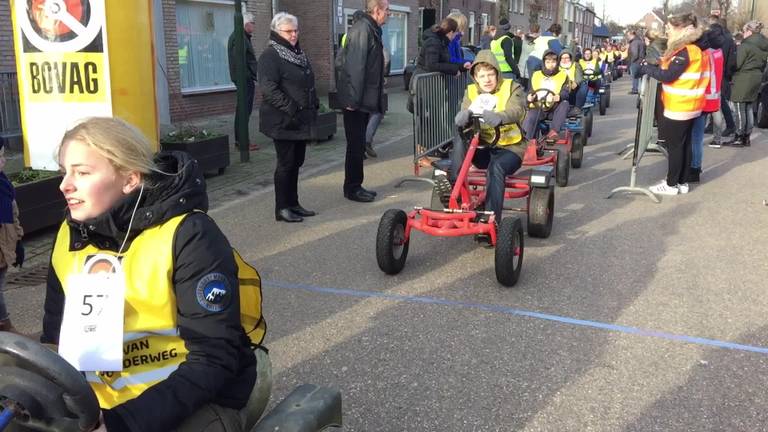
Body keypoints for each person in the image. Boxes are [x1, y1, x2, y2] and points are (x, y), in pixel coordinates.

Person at [43, 117, 265, 431]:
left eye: (82, 172)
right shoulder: (68, 234)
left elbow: (213, 359)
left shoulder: (189, 234)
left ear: (130, 180)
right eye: (64, 171)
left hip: (195, 398)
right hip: (98, 404)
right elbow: (55, 340)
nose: (65, 184)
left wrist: (123, 423)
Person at [451, 50, 527, 223]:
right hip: (482, 148)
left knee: (496, 168)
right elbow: (465, 111)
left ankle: (491, 220)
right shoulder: (471, 91)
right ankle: (454, 183)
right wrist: (462, 116)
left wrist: (501, 116)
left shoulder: (511, 87)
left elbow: (517, 110)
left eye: (490, 74)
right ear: (475, 77)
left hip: (510, 149)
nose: (487, 79)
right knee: (460, 136)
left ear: (497, 74)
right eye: (482, 75)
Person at [258, 13, 318, 223]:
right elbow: (268, 89)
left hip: (299, 120)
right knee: (285, 163)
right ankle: (282, 208)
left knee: (296, 162)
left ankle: (294, 203)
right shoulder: (270, 55)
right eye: (289, 31)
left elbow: (307, 82)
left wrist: (314, 105)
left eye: (296, 30)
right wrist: (292, 108)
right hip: (282, 121)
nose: (294, 34)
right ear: (277, 32)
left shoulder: (298, 53)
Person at [640, 13, 709, 196]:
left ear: (681, 29)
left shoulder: (685, 50)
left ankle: (671, 184)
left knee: (675, 146)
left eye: (670, 28)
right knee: (684, 145)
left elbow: (669, 76)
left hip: (680, 105)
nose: (668, 31)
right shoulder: (696, 49)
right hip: (691, 104)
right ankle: (682, 182)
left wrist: (647, 68)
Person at [336, 0, 389, 203]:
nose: (389, 14)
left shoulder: (370, 29)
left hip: (361, 98)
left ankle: (355, 185)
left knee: (358, 145)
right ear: (377, 10)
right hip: (355, 100)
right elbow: (355, 67)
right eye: (387, 10)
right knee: (356, 145)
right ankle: (352, 188)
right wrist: (353, 100)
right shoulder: (363, 30)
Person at [689, 23, 726, 182]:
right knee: (697, 136)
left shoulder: (705, 54)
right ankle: (696, 166)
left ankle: (694, 168)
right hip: (712, 97)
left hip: (701, 97)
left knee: (695, 137)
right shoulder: (719, 52)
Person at [730, 21, 768, 147]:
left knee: (739, 107)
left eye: (744, 31)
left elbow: (737, 63)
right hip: (756, 77)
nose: (743, 33)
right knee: (749, 107)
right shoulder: (763, 45)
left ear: (750, 32)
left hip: (744, 77)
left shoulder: (746, 45)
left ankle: (739, 136)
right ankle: (747, 136)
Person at [522, 49, 571, 142]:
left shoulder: (563, 75)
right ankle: (527, 141)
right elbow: (531, 90)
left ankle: (554, 132)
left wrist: (559, 96)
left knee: (565, 103)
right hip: (539, 106)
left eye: (553, 62)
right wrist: (529, 97)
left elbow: (565, 92)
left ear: (557, 63)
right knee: (531, 116)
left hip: (555, 108)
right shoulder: (536, 75)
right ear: (544, 63)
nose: (551, 64)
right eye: (548, 62)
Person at [228, 13, 260, 151]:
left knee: (242, 109)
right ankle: (242, 142)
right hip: (244, 79)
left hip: (244, 78)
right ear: (247, 24)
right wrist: (247, 75)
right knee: (244, 110)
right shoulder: (240, 37)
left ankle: (240, 141)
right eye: (253, 23)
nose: (254, 26)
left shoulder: (241, 36)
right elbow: (239, 60)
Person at [0, 143, 23, 333]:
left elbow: (13, 215)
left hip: (5, 244)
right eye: (0, 156)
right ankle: (5, 326)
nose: (4, 160)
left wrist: (18, 242)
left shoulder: (4, 183)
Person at [558, 49, 585, 114]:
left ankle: (577, 107)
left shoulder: (576, 65)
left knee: (584, 85)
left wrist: (576, 82)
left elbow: (579, 76)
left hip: (574, 87)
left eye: (567, 58)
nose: (564, 60)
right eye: (563, 58)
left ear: (570, 58)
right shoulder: (557, 67)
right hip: (561, 88)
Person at [628, 29, 646, 94]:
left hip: (636, 61)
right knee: (640, 76)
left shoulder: (634, 42)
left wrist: (631, 61)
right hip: (641, 61)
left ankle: (635, 89)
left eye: (628, 35)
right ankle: (641, 89)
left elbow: (635, 54)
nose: (628, 37)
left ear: (632, 35)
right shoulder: (640, 41)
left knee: (635, 76)